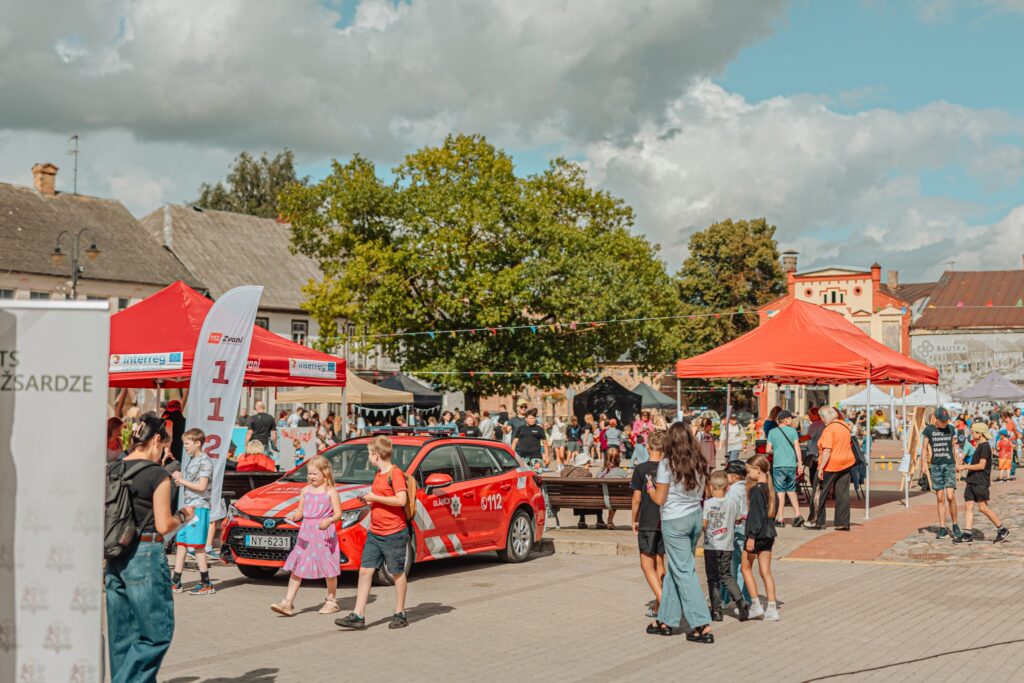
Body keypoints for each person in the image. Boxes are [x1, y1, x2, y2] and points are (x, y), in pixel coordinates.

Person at [105, 413, 196, 683]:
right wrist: (184, 515)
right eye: (164, 444)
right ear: (156, 439)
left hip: (115, 554)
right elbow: (164, 524)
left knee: (121, 636)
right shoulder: (157, 474)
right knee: (157, 632)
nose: (164, 451)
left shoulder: (112, 469)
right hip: (144, 554)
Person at [644, 422, 714, 643]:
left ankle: (701, 623)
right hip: (694, 517)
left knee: (684, 571)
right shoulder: (699, 461)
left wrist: (650, 488)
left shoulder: (667, 464)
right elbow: (707, 492)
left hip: (675, 521)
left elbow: (660, 499)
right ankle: (665, 619)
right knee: (677, 569)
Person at [337, 436, 411, 630]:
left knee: (396, 572)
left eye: (369, 453)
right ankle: (358, 615)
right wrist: (369, 500)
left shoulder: (395, 473)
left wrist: (375, 498)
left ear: (376, 455)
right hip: (375, 532)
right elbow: (383, 499)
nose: (368, 457)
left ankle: (400, 613)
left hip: (393, 532)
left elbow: (401, 500)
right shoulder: (378, 474)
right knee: (365, 571)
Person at [271, 456, 343, 616]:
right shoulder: (305, 490)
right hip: (306, 533)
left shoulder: (330, 491)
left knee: (328, 568)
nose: (311, 477)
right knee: (297, 565)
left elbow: (338, 513)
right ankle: (287, 602)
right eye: (309, 473)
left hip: (323, 533)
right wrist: (294, 516)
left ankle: (331, 601)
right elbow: (300, 511)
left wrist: (329, 520)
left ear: (325, 473)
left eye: (314, 473)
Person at [170, 428, 215, 595]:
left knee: (197, 546)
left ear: (198, 443)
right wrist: (180, 476)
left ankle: (206, 583)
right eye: (184, 444)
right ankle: (176, 581)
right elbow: (191, 481)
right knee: (181, 543)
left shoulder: (205, 461)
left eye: (187, 443)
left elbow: (202, 487)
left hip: (199, 507)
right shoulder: (191, 459)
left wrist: (182, 480)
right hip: (188, 506)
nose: (185, 447)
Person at [703, 470, 749, 622]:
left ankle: (716, 610)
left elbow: (704, 524)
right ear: (727, 487)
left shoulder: (708, 504)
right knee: (726, 576)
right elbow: (738, 520)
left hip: (711, 546)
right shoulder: (732, 503)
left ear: (711, 487)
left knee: (713, 578)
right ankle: (740, 601)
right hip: (727, 546)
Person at [955, 422, 1010, 544]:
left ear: (979, 434)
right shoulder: (979, 446)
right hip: (971, 480)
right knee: (968, 506)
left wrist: (965, 467)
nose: (971, 434)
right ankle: (967, 533)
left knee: (983, 508)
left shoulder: (985, 446)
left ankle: (1002, 529)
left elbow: (981, 465)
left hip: (980, 482)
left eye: (973, 432)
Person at [631, 429, 666, 618]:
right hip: (665, 520)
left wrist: (634, 519)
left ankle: (664, 601)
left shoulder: (641, 469)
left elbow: (636, 498)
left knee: (646, 564)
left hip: (647, 520)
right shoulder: (669, 468)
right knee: (660, 562)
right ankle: (658, 606)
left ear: (647, 447)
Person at [741, 455, 779, 621]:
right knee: (766, 572)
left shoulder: (756, 490)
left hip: (756, 535)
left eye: (749, 471)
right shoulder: (770, 489)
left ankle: (756, 605)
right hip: (769, 534)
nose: (748, 474)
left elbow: (756, 515)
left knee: (745, 568)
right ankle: (772, 608)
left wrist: (751, 536)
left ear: (757, 470)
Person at [804, 406, 854, 531]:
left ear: (826, 416)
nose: (821, 419)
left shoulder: (829, 429)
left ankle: (815, 520)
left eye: (822, 416)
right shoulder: (844, 426)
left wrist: (821, 468)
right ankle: (842, 522)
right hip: (846, 462)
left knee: (818, 491)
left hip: (830, 464)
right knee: (842, 493)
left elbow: (827, 450)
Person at [922, 407, 962, 540]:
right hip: (936, 466)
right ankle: (942, 528)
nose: (945, 423)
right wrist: (923, 464)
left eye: (946, 420)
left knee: (950, 496)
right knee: (940, 498)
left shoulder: (951, 428)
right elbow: (924, 448)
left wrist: (956, 460)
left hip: (949, 465)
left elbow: (952, 446)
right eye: (943, 421)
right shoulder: (929, 430)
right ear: (936, 419)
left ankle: (955, 525)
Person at [765, 410, 804, 527]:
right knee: (791, 490)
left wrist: (776, 451)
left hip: (778, 465)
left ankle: (780, 518)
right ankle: (798, 515)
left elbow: (767, 450)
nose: (791, 420)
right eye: (790, 418)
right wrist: (800, 464)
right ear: (786, 419)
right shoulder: (793, 431)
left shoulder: (772, 432)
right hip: (791, 465)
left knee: (780, 492)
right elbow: (797, 448)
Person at [722, 459, 752, 607]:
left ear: (734, 476)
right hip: (747, 528)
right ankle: (733, 596)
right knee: (743, 565)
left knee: (735, 566)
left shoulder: (733, 491)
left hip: (737, 528)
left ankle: (739, 597)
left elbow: (730, 510)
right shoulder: (747, 487)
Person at [561, 451, 604, 528]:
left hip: (564, 499)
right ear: (583, 463)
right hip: (580, 499)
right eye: (588, 463)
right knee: (596, 493)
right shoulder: (586, 474)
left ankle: (582, 520)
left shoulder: (565, 470)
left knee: (579, 493)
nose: (589, 465)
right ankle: (599, 520)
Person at [801, 407, 826, 521]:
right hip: (820, 454)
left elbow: (809, 436)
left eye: (810, 414)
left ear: (816, 414)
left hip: (814, 453)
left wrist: (797, 440)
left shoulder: (815, 425)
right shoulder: (824, 424)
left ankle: (816, 495)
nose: (809, 417)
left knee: (813, 476)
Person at [597, 447, 627, 529]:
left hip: (598, 500)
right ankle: (610, 520)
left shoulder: (599, 472)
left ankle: (599, 520)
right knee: (615, 495)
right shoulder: (622, 473)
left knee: (606, 494)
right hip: (615, 500)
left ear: (606, 458)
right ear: (618, 459)